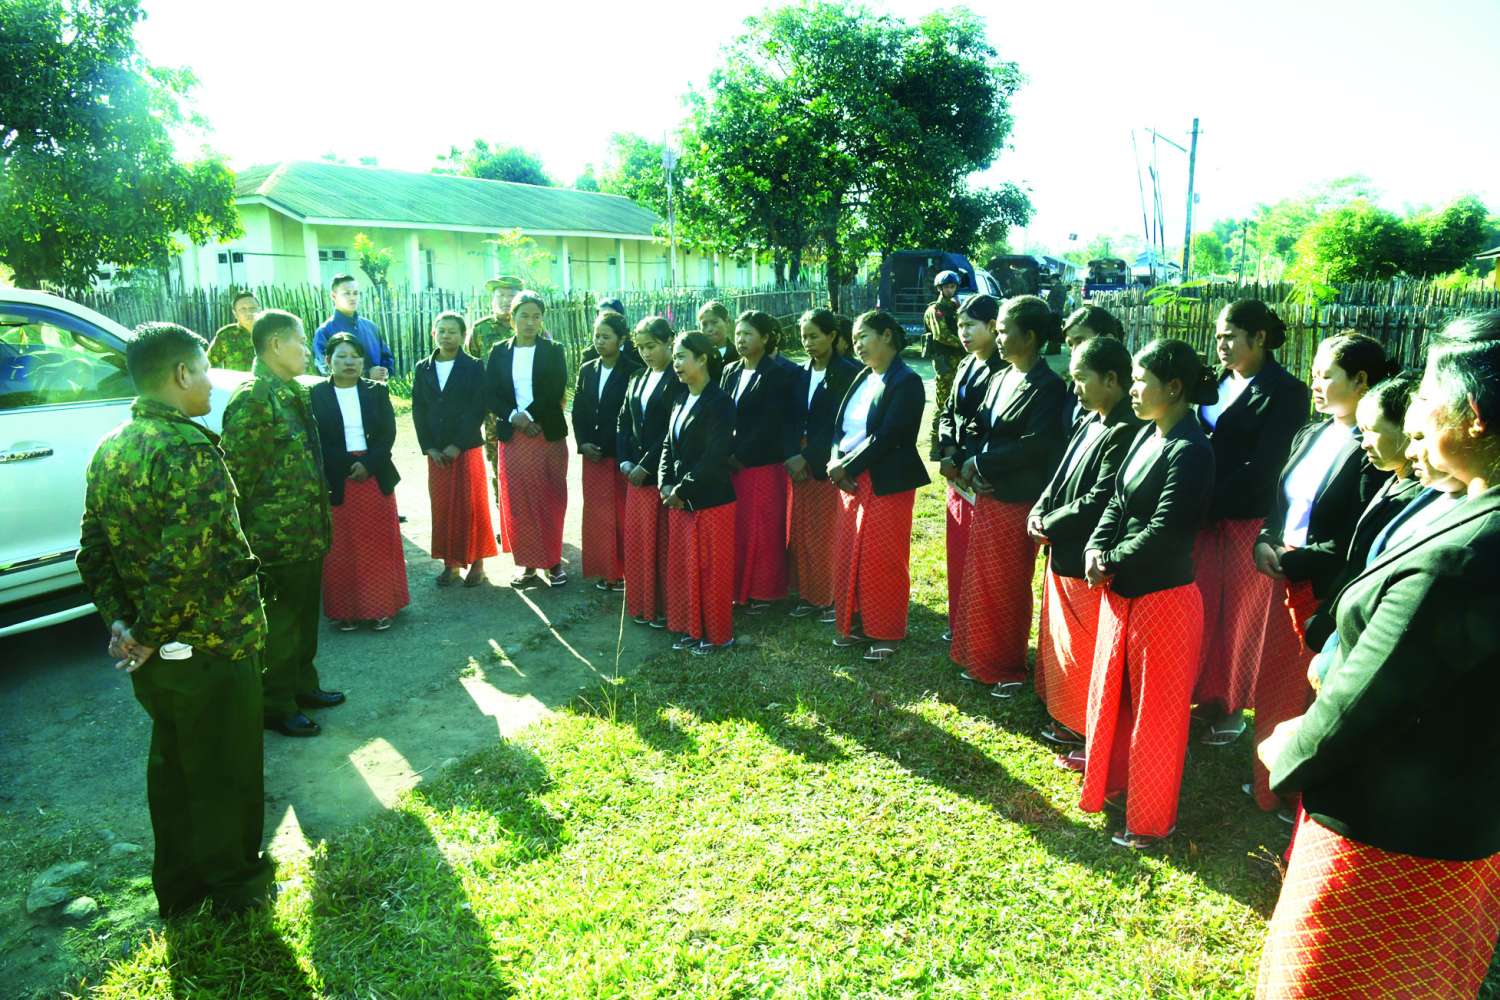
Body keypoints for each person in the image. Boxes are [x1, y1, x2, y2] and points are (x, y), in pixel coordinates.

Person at [1256, 312, 1500, 998]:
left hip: (1391, 829)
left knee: (1331, 980)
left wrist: (1289, 746)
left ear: (1473, 417)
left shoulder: (1462, 555)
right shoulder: (1469, 508)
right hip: (1454, 814)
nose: (1414, 408)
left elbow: (1365, 700)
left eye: (1427, 393)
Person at [76, 322, 274, 918]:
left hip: (156, 654)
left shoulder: (111, 447)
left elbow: (93, 551)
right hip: (212, 646)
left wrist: (122, 623)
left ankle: (180, 890)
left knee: (174, 767)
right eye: (204, 369)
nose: (211, 381)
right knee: (225, 770)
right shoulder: (186, 448)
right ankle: (236, 890)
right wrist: (143, 633)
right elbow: (191, 559)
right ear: (181, 373)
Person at [1245, 334, 1393, 813]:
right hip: (1281, 574)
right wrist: (1265, 539)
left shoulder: (1372, 450)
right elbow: (1280, 504)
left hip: (1323, 589)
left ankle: (1300, 791)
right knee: (1274, 685)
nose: (1315, 383)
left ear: (1361, 380)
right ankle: (1269, 782)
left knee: (1310, 689)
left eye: (1326, 375)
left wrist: (1291, 559)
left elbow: (1355, 536)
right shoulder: (1310, 434)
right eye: (1313, 374)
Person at [1080, 339, 1217, 849]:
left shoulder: (1192, 450)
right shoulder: (1146, 433)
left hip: (1163, 601)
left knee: (1155, 717)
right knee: (1114, 702)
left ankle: (1151, 821)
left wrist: (1109, 560)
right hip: (1123, 591)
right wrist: (1096, 547)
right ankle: (1116, 787)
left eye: (1141, 381)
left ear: (1174, 388)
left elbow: (1167, 529)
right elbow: (1117, 501)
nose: (1133, 389)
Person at [221, 309, 343, 739]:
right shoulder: (254, 398)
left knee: (304, 619)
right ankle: (276, 704)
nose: (307, 350)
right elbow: (238, 478)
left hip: (305, 533)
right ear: (275, 344)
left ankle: (302, 686)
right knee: (280, 625)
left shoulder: (290, 391)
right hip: (275, 539)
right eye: (300, 341)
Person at [1192, 300, 1310, 745]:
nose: (1220, 345)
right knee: (1204, 604)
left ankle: (1232, 707)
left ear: (1258, 338)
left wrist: (1208, 501)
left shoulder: (1287, 391)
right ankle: (1204, 694)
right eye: (1218, 336)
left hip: (1247, 517)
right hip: (1204, 516)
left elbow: (1268, 465)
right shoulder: (1216, 381)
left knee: (1240, 616)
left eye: (1230, 336)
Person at [1028, 335, 1144, 765]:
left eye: (1081, 378)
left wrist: (1051, 524)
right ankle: (1067, 717)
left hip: (1086, 553)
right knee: (1065, 642)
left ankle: (1087, 731)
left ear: (1111, 379)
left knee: (1087, 648)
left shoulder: (1125, 429)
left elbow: (1101, 497)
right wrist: (1039, 510)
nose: (1074, 387)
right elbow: (1059, 478)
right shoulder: (1090, 419)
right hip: (1062, 546)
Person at [953, 295, 1070, 696]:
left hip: (1017, 497)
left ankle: (1006, 666)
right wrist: (970, 460)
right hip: (987, 493)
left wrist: (982, 464)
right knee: (981, 579)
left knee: (1006, 584)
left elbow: (1036, 445)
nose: (998, 338)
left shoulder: (1048, 387)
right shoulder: (1001, 376)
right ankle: (979, 656)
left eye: (1004, 331)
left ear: (1031, 336)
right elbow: (978, 425)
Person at [826, 310, 931, 662]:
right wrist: (835, 459)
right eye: (854, 338)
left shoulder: (906, 381)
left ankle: (886, 631)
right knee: (850, 554)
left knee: (882, 558)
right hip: (850, 479)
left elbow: (889, 436)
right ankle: (855, 622)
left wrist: (846, 466)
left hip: (886, 480)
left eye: (863, 336)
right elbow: (840, 428)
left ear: (887, 336)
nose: (857, 344)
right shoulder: (863, 376)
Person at [1301, 373, 1424, 653]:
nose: (1364, 442)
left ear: (1405, 430)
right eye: (1362, 431)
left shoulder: (1414, 500)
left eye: (1373, 431)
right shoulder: (1392, 480)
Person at [309, 333, 408, 631]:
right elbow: (317, 439)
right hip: (337, 477)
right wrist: (345, 465)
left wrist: (368, 464)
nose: (349, 362)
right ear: (328, 361)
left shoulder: (376, 391)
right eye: (341, 356)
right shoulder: (315, 394)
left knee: (376, 543)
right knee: (341, 546)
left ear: (363, 361)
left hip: (374, 474)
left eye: (355, 356)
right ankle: (346, 612)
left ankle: (380, 608)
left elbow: (387, 434)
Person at [935, 294, 1007, 643]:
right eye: (959, 325)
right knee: (958, 552)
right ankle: (958, 622)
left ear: (993, 326)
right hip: (957, 471)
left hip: (979, 472)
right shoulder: (965, 363)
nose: (963, 332)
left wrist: (967, 460)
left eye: (970, 325)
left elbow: (989, 424)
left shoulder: (1003, 368)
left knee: (980, 558)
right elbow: (947, 411)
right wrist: (948, 449)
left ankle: (976, 628)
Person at [660, 331, 737, 655]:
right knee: (687, 568)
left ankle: (718, 636)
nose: (675, 363)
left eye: (681, 356)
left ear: (702, 359)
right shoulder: (680, 398)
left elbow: (715, 455)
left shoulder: (720, 402)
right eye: (675, 357)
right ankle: (693, 629)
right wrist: (665, 483)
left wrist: (682, 489)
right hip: (681, 501)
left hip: (711, 500)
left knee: (712, 571)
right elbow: (668, 445)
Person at [486, 290, 570, 587]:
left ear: (542, 319)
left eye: (536, 316)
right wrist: (514, 417)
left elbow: (555, 388)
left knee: (550, 496)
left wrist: (530, 416)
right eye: (524, 316)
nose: (530, 322)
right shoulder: (499, 351)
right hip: (514, 436)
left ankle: (554, 563)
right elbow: (490, 392)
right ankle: (528, 565)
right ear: (512, 319)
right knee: (518, 500)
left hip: (547, 433)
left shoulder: (553, 350)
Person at [786, 309, 861, 619]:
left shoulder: (849, 372)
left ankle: (831, 597)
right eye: (804, 337)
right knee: (802, 531)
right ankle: (808, 593)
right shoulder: (800, 373)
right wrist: (793, 455)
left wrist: (807, 457)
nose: (808, 342)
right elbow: (789, 420)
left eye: (814, 336)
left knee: (827, 533)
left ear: (832, 336)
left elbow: (838, 424)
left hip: (828, 460)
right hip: (797, 462)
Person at [721, 310, 798, 612]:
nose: (741, 339)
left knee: (762, 529)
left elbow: (771, 423)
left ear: (765, 338)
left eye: (748, 334)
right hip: (730, 464)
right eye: (738, 334)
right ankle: (738, 588)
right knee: (738, 528)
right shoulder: (730, 371)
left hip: (762, 464)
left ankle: (764, 591)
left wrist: (741, 455)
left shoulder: (778, 374)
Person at [413, 312, 496, 588]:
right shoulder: (423, 368)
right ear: (433, 333)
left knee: (472, 505)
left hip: (465, 448)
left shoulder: (473, 366)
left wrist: (457, 444)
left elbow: (477, 408)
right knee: (443, 507)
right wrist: (429, 447)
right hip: (436, 452)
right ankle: (451, 564)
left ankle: (478, 563)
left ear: (463, 336)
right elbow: (418, 409)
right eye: (442, 331)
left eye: (453, 331)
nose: (447, 336)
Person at [617, 317, 682, 627]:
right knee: (639, 543)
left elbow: (671, 430)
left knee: (662, 545)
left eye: (652, 346)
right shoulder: (637, 377)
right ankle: (643, 604)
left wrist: (646, 465)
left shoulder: (677, 379)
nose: (645, 353)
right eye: (641, 347)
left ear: (669, 342)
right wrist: (625, 461)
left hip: (660, 476)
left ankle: (665, 607)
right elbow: (623, 422)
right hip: (634, 477)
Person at [573, 312, 641, 590]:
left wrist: (621, 452)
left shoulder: (634, 371)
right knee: (598, 515)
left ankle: (626, 572)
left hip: (620, 456)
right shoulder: (587, 369)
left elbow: (632, 418)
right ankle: (605, 570)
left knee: (622, 515)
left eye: (606, 337)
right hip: (593, 455)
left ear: (621, 339)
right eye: (597, 336)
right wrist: (583, 443)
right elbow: (578, 411)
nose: (600, 341)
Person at [312, 274, 394, 381]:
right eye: (347, 293)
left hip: (378, 389)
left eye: (355, 293)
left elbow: (387, 357)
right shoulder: (324, 332)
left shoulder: (371, 327)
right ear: (333, 296)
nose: (352, 297)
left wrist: (385, 371)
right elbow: (325, 369)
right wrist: (366, 375)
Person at [923, 269, 966, 459]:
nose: (950, 290)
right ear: (939, 288)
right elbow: (941, 335)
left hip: (959, 360)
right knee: (943, 403)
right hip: (945, 362)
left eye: (952, 286)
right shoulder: (936, 310)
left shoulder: (955, 306)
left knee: (958, 400)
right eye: (946, 287)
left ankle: (952, 443)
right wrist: (965, 344)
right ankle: (935, 447)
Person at [1060, 305, 1125, 427]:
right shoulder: (1077, 383)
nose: (1074, 351)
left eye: (1080, 341)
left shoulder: (1127, 391)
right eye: (1070, 344)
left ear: (1108, 339)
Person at [466, 275, 524, 360]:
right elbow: (468, 362)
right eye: (500, 295)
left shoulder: (530, 326)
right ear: (493, 300)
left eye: (511, 296)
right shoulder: (480, 329)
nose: (506, 300)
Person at [207, 291, 259, 371]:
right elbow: (208, 364)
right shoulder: (225, 336)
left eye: (252, 309)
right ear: (235, 314)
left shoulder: (270, 333)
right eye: (243, 309)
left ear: (260, 309)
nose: (248, 313)